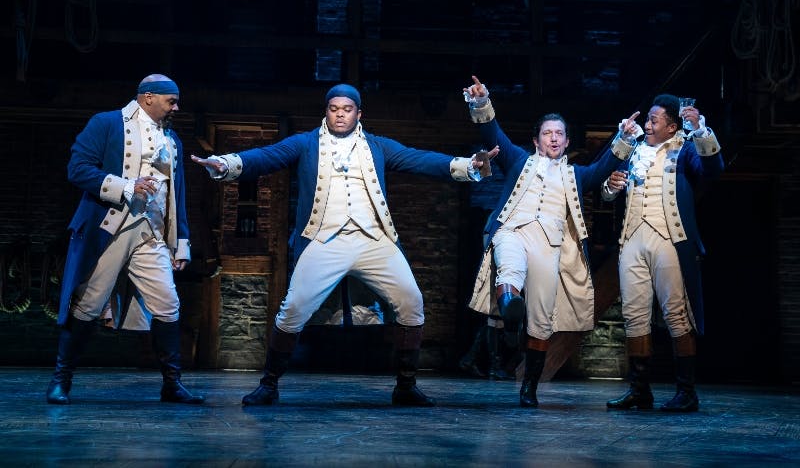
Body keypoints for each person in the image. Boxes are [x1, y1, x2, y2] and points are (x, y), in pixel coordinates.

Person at [192, 83, 497, 407]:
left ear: (358, 113)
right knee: (294, 308)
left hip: (374, 239)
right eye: (334, 109)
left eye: (347, 109)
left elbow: (418, 159)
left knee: (411, 302)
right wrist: (227, 164)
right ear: (327, 111)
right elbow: (267, 156)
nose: (340, 114)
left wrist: (468, 166)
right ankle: (269, 384)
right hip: (324, 240)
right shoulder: (307, 144)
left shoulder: (377, 146)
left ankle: (406, 385)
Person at [462, 75, 638, 407]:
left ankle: (529, 387)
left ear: (567, 141)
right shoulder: (518, 160)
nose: (553, 138)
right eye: (547, 133)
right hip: (513, 230)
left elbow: (604, 167)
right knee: (509, 268)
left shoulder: (577, 175)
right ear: (536, 140)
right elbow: (491, 133)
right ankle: (510, 308)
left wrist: (624, 136)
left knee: (542, 317)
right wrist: (481, 101)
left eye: (559, 134)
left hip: (551, 245)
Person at [46, 74, 204, 405]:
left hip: (152, 232)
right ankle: (61, 380)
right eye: (171, 101)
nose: (176, 106)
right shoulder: (106, 123)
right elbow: (77, 169)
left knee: (167, 303)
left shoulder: (172, 139)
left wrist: (182, 241)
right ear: (148, 97)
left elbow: (178, 194)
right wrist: (126, 186)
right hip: (111, 226)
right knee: (88, 304)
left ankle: (171, 384)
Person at [603, 94, 724, 412]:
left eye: (654, 120)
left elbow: (713, 168)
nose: (648, 123)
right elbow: (605, 186)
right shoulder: (632, 150)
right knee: (634, 316)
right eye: (649, 118)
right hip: (632, 239)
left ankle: (686, 391)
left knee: (675, 314)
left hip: (669, 239)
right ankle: (639, 389)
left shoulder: (684, 149)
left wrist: (700, 129)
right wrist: (612, 186)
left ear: (672, 126)